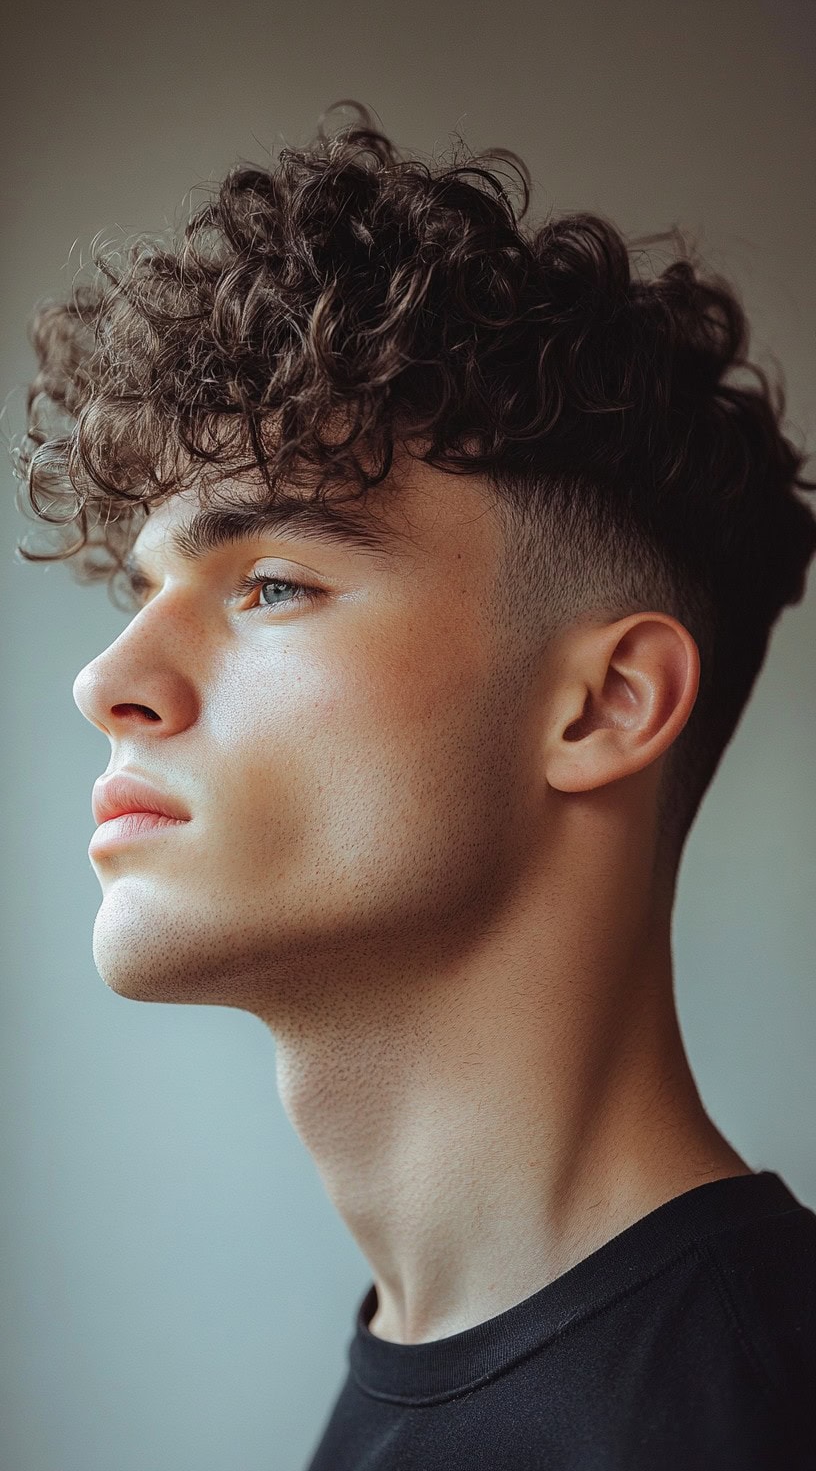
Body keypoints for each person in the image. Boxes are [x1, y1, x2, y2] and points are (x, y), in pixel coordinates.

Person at [16, 100, 816, 1469]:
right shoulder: (433, 1367)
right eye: (141, 593)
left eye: (271, 584)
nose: (109, 682)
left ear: (607, 706)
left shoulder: (749, 1415)